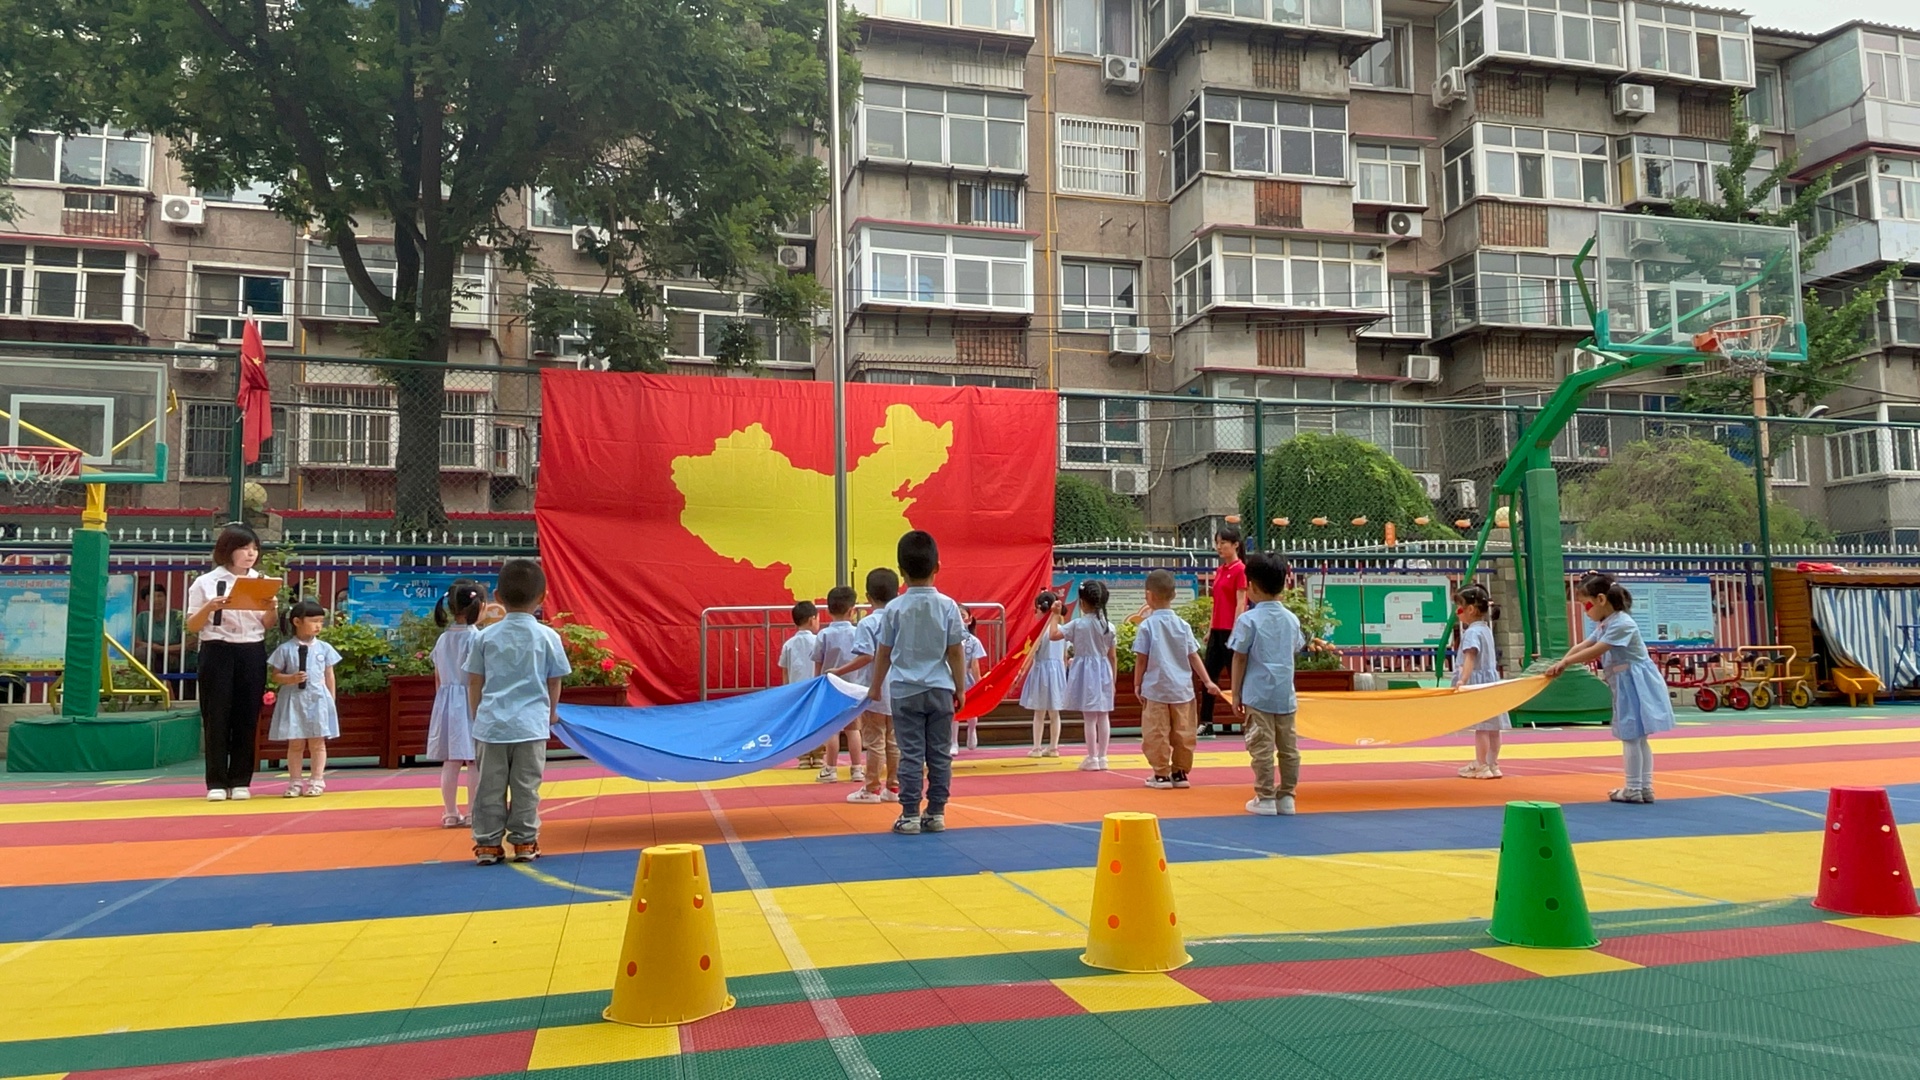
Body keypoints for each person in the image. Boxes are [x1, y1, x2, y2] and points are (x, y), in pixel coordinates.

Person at [466, 558, 571, 865]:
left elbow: (475, 680)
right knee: (526, 786)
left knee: (489, 787)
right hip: (531, 726)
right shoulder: (548, 637)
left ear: (498, 597)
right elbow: (554, 679)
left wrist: (477, 714)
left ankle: (487, 844)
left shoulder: (485, 636)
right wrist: (552, 712)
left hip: (491, 726)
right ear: (543, 597)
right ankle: (524, 841)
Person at [870, 531, 967, 836]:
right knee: (939, 754)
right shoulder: (948, 606)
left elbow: (884, 652)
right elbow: (955, 651)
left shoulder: (894, 609)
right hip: (940, 688)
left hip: (904, 690)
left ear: (901, 571)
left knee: (910, 753)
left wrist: (875, 687)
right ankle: (936, 812)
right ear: (937, 567)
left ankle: (910, 813)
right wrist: (960, 687)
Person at [1547, 574, 1674, 804]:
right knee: (1637, 737)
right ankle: (1643, 786)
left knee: (1631, 736)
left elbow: (1596, 650)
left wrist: (1566, 663)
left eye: (1586, 605)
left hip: (1634, 682)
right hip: (1626, 680)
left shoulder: (1622, 624)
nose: (1586, 611)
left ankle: (1634, 787)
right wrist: (1562, 661)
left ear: (1601, 599)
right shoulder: (1608, 623)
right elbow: (1584, 644)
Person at [185, 523, 272, 802]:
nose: (251, 554)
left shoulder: (261, 581)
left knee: (247, 715)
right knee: (216, 715)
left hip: (251, 649)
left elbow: (267, 624)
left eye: (254, 549)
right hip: (218, 649)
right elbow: (192, 626)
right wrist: (210, 607)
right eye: (244, 548)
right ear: (228, 550)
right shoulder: (205, 582)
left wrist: (272, 607)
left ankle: (241, 780)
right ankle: (216, 782)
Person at [1228, 554, 1304, 816]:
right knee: (1288, 747)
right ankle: (1288, 796)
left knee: (1261, 746)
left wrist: (1235, 693)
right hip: (1285, 694)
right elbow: (1295, 647)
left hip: (1257, 693)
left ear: (1251, 586)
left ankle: (1265, 796)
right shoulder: (1291, 619)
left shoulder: (1248, 620)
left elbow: (1239, 656)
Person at [1134, 568, 1222, 790]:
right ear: (1173, 595)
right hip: (1182, 689)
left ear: (1148, 595)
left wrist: (1137, 683)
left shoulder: (1147, 626)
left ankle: (1161, 773)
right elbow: (1193, 656)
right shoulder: (1183, 625)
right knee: (1184, 731)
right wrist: (1208, 681)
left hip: (1156, 689)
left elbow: (1142, 659)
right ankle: (1180, 771)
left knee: (1156, 732)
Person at [838, 570, 902, 804]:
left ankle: (872, 788)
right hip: (899, 687)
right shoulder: (902, 619)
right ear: (897, 593)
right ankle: (893, 786)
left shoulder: (868, 623)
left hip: (875, 688)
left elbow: (866, 656)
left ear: (868, 596)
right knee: (894, 741)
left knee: (875, 741)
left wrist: (838, 671)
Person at [267, 598, 341, 797]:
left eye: (321, 622)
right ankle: (295, 782)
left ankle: (317, 780)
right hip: (294, 700)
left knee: (317, 742)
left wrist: (331, 700)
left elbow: (329, 675)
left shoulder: (324, 648)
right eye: (313, 621)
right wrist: (290, 678)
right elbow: (275, 675)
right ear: (297, 622)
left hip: (318, 699)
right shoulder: (285, 649)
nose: (318, 626)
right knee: (296, 743)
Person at [428, 579, 485, 827]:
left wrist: (442, 703)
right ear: (479, 606)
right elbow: (477, 676)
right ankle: (473, 812)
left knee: (450, 760)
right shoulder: (477, 638)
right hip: (471, 700)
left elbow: (438, 677)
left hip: (446, 701)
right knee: (474, 760)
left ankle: (450, 813)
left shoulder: (443, 639)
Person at [1056, 580, 1117, 771]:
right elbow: (1112, 656)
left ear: (1082, 602)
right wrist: (1113, 681)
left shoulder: (1078, 624)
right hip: (1104, 671)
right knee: (1103, 715)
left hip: (1085, 672)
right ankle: (1103, 757)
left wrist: (1054, 615)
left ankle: (1092, 757)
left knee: (1089, 717)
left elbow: (1053, 635)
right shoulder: (1109, 626)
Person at [1453, 585, 1510, 780]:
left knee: (1482, 727)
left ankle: (1481, 764)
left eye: (1459, 608)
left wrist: (1462, 679)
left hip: (1478, 684)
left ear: (1470, 609)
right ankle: (1493, 763)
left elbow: (1470, 657)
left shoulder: (1471, 633)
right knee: (1493, 727)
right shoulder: (1486, 630)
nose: (1457, 612)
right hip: (1491, 682)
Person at [1200, 525, 1248, 737]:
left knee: (1237, 675)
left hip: (1231, 630)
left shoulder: (1241, 570)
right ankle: (1206, 722)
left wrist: (1237, 629)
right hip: (1217, 630)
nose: (1219, 547)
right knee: (1208, 676)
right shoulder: (1220, 570)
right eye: (1217, 543)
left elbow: (1241, 602)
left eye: (1223, 543)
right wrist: (1211, 629)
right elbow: (1217, 603)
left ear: (1235, 545)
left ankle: (1247, 718)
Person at [812, 587, 864, 783]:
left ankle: (830, 769)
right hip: (853, 687)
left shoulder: (824, 634)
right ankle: (857, 768)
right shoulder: (857, 632)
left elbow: (818, 662)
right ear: (852, 610)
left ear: (828, 610)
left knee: (831, 729)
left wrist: (817, 683)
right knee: (853, 729)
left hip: (830, 687)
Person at [1021, 590, 1068, 758]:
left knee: (1039, 712)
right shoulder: (1061, 630)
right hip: (1058, 672)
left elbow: (1032, 653)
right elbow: (1064, 655)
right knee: (1055, 713)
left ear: (1041, 609)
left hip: (1041, 671)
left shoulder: (1040, 632)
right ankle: (1054, 747)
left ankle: (1036, 748)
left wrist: (1022, 671)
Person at [133, 579, 195, 677]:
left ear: (166, 598)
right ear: (145, 600)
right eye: (152, 597)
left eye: (160, 596)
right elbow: (138, 643)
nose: (157, 600)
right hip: (153, 655)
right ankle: (149, 682)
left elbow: (189, 644)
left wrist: (161, 649)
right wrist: (156, 649)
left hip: (177, 656)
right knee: (141, 653)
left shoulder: (178, 616)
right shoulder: (142, 617)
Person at [949, 611, 989, 756]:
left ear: (969, 619)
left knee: (971, 707)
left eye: (963, 616)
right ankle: (954, 742)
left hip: (967, 678)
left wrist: (978, 682)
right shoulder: (949, 638)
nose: (960, 619)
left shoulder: (973, 641)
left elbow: (975, 663)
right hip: (952, 678)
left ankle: (972, 730)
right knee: (953, 710)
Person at [780, 599, 822, 691]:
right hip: (814, 689)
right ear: (811, 620)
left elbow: (785, 673)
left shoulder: (788, 644)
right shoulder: (819, 641)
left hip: (795, 690)